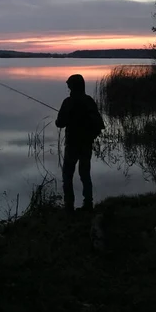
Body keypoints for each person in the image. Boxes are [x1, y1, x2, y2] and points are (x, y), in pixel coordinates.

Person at [55, 74, 104, 214]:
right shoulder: (89, 101)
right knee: (85, 174)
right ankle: (88, 204)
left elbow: (60, 123)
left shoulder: (68, 102)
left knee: (67, 175)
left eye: (69, 85)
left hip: (72, 144)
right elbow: (99, 123)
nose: (68, 87)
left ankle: (68, 206)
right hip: (86, 144)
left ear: (73, 86)